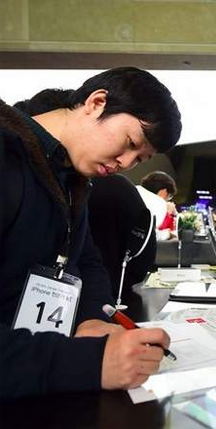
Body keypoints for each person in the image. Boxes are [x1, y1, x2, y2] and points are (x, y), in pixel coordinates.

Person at [0, 66, 182, 397]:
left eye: (139, 159)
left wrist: (91, 318)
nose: (125, 164)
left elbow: (85, 260)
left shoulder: (72, 177)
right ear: (97, 102)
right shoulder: (8, 157)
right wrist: (89, 363)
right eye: (129, 143)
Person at [89, 174, 157, 307]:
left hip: (63, 288)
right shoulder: (121, 186)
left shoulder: (68, 183)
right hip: (115, 290)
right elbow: (145, 245)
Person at [137, 171, 178, 240]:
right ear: (164, 192)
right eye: (170, 196)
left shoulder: (135, 189)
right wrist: (168, 234)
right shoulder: (159, 203)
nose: (168, 201)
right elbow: (151, 236)